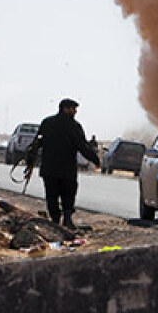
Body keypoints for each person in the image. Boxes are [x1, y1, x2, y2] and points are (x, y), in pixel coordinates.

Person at [35, 98, 101, 230]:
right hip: (66, 170)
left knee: (51, 195)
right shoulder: (74, 126)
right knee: (68, 195)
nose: (75, 111)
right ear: (65, 109)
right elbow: (83, 146)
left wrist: (30, 160)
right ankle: (67, 220)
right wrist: (95, 160)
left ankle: (55, 221)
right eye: (73, 108)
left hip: (50, 168)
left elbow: (36, 144)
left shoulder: (47, 122)